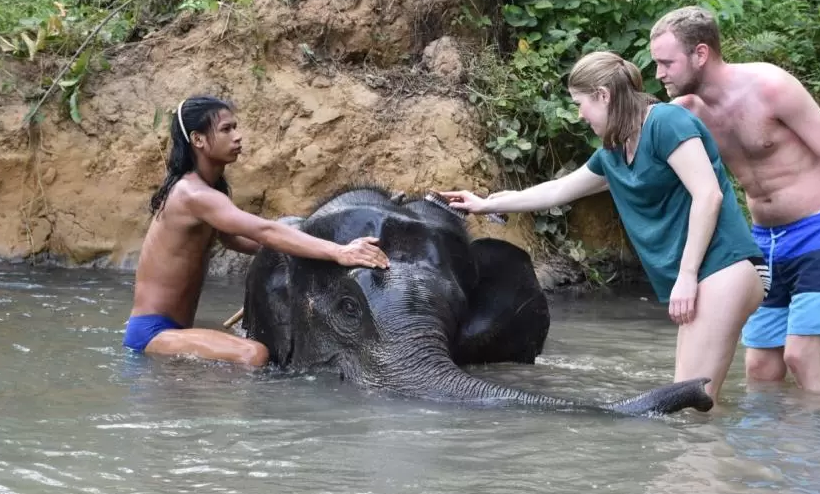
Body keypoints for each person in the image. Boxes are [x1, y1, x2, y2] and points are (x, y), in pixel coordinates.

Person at [442, 51, 768, 405]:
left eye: (580, 103)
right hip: (704, 276)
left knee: (692, 404)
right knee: (693, 406)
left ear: (603, 95)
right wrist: (485, 203)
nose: (579, 114)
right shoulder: (613, 153)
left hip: (725, 267)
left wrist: (687, 276)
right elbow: (557, 190)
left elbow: (708, 195)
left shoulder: (666, 123)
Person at [649, 6, 820, 394]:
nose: (659, 74)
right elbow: (632, 154)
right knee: (760, 367)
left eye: (666, 63)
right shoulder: (685, 114)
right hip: (763, 241)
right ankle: (771, 454)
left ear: (701, 54)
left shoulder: (771, 87)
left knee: (801, 357)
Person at [124, 95, 390, 366]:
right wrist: (338, 251)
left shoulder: (205, 192)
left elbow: (237, 240)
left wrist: (311, 250)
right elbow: (263, 230)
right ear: (198, 140)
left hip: (171, 331)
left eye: (235, 127)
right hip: (152, 333)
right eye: (227, 129)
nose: (238, 137)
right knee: (254, 354)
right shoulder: (193, 194)